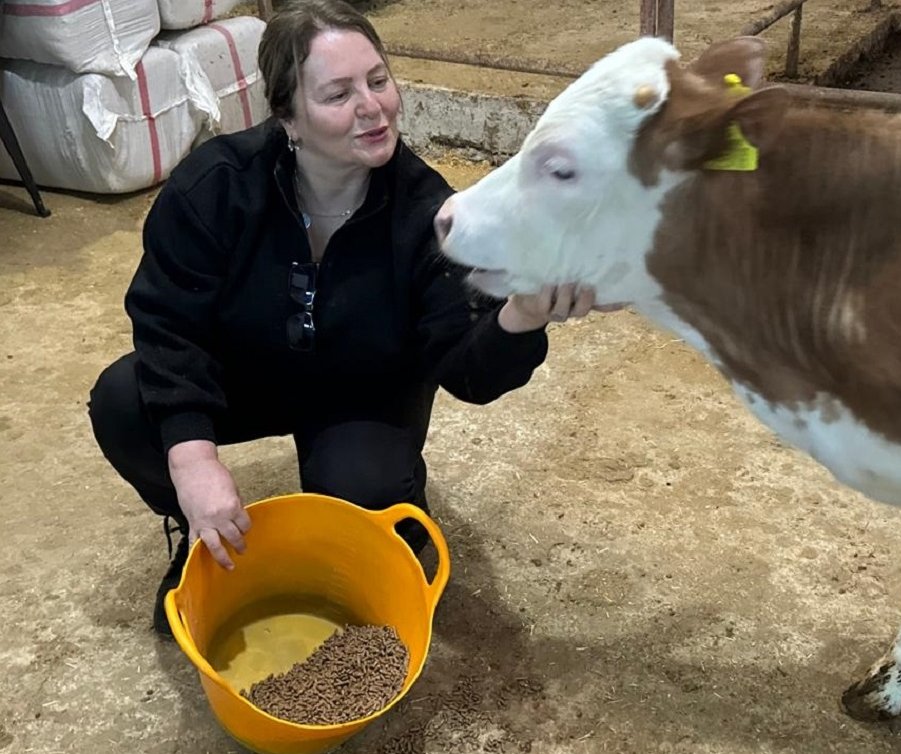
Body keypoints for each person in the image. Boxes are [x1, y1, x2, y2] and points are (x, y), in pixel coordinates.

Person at [87, 0, 614, 638]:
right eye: (338, 93)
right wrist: (193, 461)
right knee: (124, 400)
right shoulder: (217, 186)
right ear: (288, 116)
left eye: (378, 80)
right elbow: (168, 319)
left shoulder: (428, 213)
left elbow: (469, 369)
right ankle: (206, 536)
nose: (372, 106)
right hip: (249, 372)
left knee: (361, 488)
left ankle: (385, 525)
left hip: (365, 391)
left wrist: (524, 314)